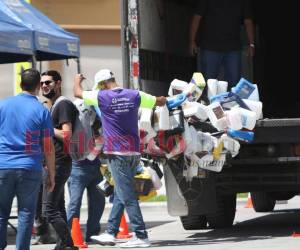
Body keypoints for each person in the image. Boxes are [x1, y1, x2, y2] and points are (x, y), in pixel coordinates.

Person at [73, 69, 166, 248]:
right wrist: (173, 98)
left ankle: (141, 235)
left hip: (117, 154)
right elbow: (159, 101)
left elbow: (77, 93)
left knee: (127, 195)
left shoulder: (102, 96)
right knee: (120, 193)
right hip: (133, 152)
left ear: (101, 84)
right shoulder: (134, 94)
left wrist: (77, 79)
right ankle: (111, 232)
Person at [0, 68, 55, 250]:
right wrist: (52, 175)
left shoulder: (3, 105)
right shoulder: (42, 110)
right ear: (39, 86)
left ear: (20, 84)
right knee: (26, 214)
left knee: (1, 214)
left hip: (3, 166)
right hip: (30, 167)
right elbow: (48, 147)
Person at [41, 70, 78, 250]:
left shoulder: (63, 104)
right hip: (58, 161)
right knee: (58, 206)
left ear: (58, 83)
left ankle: (68, 245)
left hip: (59, 162)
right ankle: (62, 244)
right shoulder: (55, 105)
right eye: (42, 83)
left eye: (48, 82)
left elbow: (66, 135)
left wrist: (45, 127)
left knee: (48, 210)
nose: (44, 86)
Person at [189, 0, 255, 89]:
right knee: (209, 85)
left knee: (235, 85)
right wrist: (192, 41)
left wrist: (251, 44)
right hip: (210, 47)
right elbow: (197, 18)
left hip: (233, 48)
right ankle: (210, 102)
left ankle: (232, 103)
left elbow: (248, 21)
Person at [67, 99, 105, 243]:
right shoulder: (72, 121)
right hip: (77, 167)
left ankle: (92, 234)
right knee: (74, 204)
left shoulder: (95, 119)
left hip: (94, 166)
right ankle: (69, 235)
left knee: (98, 202)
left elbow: (101, 136)